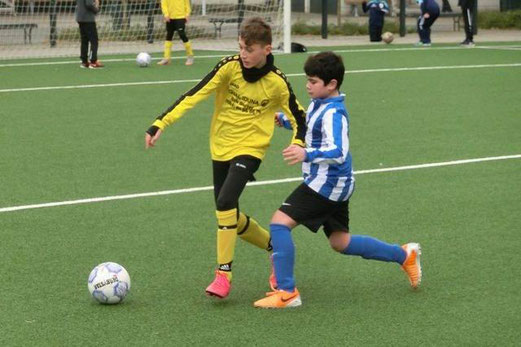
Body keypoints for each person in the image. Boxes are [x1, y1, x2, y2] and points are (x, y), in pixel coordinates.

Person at [145, 17, 307, 299]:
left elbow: (300, 118)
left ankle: (223, 274)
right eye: (241, 47)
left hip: (251, 149)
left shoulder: (277, 82)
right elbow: (194, 94)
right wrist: (161, 122)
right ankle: (275, 247)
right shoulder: (228, 67)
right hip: (220, 147)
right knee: (227, 213)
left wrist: (297, 143)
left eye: (249, 49)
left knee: (225, 202)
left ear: (266, 49)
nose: (243, 54)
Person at [253, 52, 422, 309]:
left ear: (331, 84)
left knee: (279, 225)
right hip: (336, 184)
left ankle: (287, 293)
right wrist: (285, 121)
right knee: (340, 242)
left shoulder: (335, 113)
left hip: (326, 184)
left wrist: (305, 152)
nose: (307, 86)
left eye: (313, 81)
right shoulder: (319, 103)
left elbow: (339, 151)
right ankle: (404, 255)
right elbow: (310, 123)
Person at [157, 0, 194, 66]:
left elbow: (187, 3)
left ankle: (190, 56)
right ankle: (166, 58)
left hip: (181, 17)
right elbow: (163, 3)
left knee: (182, 34)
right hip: (170, 17)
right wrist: (166, 14)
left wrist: (187, 14)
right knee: (169, 35)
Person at [75, 0, 103, 68]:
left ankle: (84, 62)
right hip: (88, 19)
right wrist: (96, 8)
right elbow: (89, 4)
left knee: (84, 40)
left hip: (80, 18)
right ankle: (93, 62)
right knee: (94, 40)